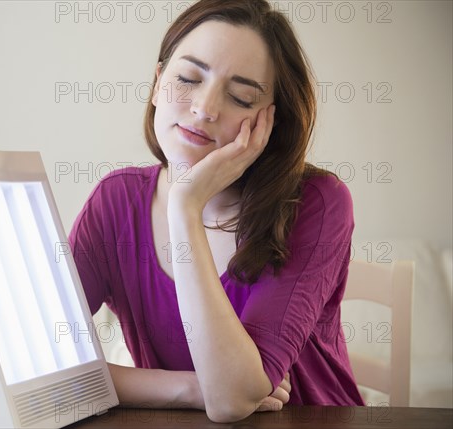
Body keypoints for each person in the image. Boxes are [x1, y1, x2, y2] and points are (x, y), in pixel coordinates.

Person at [69, 0, 364, 422]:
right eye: (188, 78)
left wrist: (186, 205)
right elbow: (41, 363)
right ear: (157, 84)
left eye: (241, 97)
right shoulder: (115, 201)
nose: (205, 108)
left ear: (270, 122)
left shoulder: (318, 203)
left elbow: (231, 401)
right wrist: (189, 387)